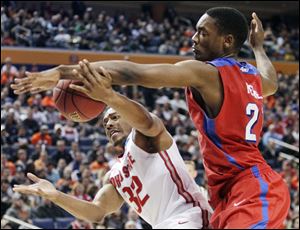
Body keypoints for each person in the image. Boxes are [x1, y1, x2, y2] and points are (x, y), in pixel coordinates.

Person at [11, 7, 290, 228]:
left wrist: (62, 72)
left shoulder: (207, 73)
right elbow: (271, 82)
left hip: (249, 189)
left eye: (202, 33)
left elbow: (135, 74)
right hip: (230, 194)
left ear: (226, 40)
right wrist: (259, 48)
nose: (193, 38)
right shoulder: (248, 78)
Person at [13, 64, 211, 229]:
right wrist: (56, 196)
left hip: (191, 217)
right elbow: (97, 212)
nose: (108, 124)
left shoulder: (145, 137)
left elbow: (146, 122)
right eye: (105, 122)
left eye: (115, 117)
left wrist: (108, 96)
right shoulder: (115, 174)